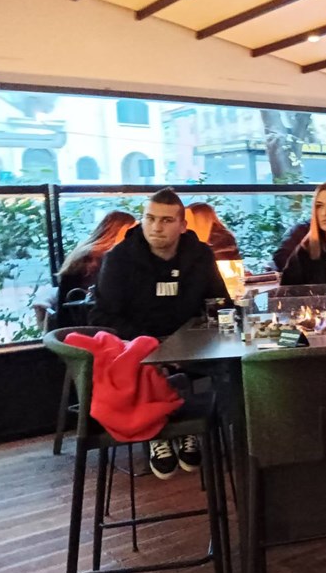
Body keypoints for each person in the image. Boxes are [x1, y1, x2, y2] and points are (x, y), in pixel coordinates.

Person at [91, 188, 230, 479]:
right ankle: (158, 432)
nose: (156, 227)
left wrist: (211, 329)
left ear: (182, 226)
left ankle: (205, 429)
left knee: (234, 365)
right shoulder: (119, 258)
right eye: (150, 218)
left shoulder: (200, 255)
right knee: (144, 364)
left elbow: (220, 303)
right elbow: (103, 316)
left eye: (166, 220)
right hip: (138, 345)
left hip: (190, 344)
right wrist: (153, 345)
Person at [56, 210, 136, 311]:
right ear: (119, 231)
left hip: (69, 314)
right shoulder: (99, 257)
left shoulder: (83, 253)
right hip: (85, 316)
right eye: (130, 232)